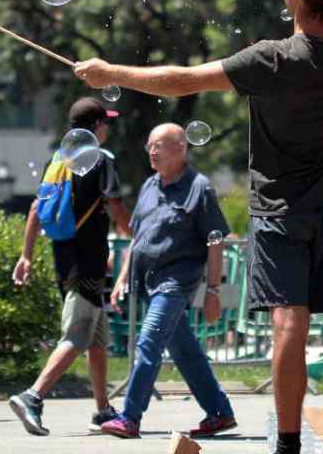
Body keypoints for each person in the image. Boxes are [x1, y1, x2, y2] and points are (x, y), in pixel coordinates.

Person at [73, 0, 323, 454]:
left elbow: (179, 79)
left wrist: (110, 74)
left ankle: (288, 445)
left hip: (279, 215)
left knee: (289, 323)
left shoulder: (270, 60)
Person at [100, 123, 236, 439]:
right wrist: (121, 277)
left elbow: (215, 241)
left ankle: (130, 417)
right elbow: (138, 238)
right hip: (148, 281)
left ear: (180, 148)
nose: (152, 151)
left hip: (175, 284)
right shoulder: (150, 185)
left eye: (159, 145)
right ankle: (219, 412)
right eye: (150, 145)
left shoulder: (199, 188)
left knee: (148, 343)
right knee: (184, 350)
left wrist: (213, 290)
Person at [10, 97, 132, 436]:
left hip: (64, 259)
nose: (107, 128)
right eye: (105, 122)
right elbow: (116, 204)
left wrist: (27, 255)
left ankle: (102, 410)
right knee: (78, 334)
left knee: (96, 338)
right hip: (87, 261)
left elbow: (36, 209)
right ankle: (33, 396)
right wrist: (133, 232)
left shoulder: (58, 160)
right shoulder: (101, 159)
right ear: (96, 127)